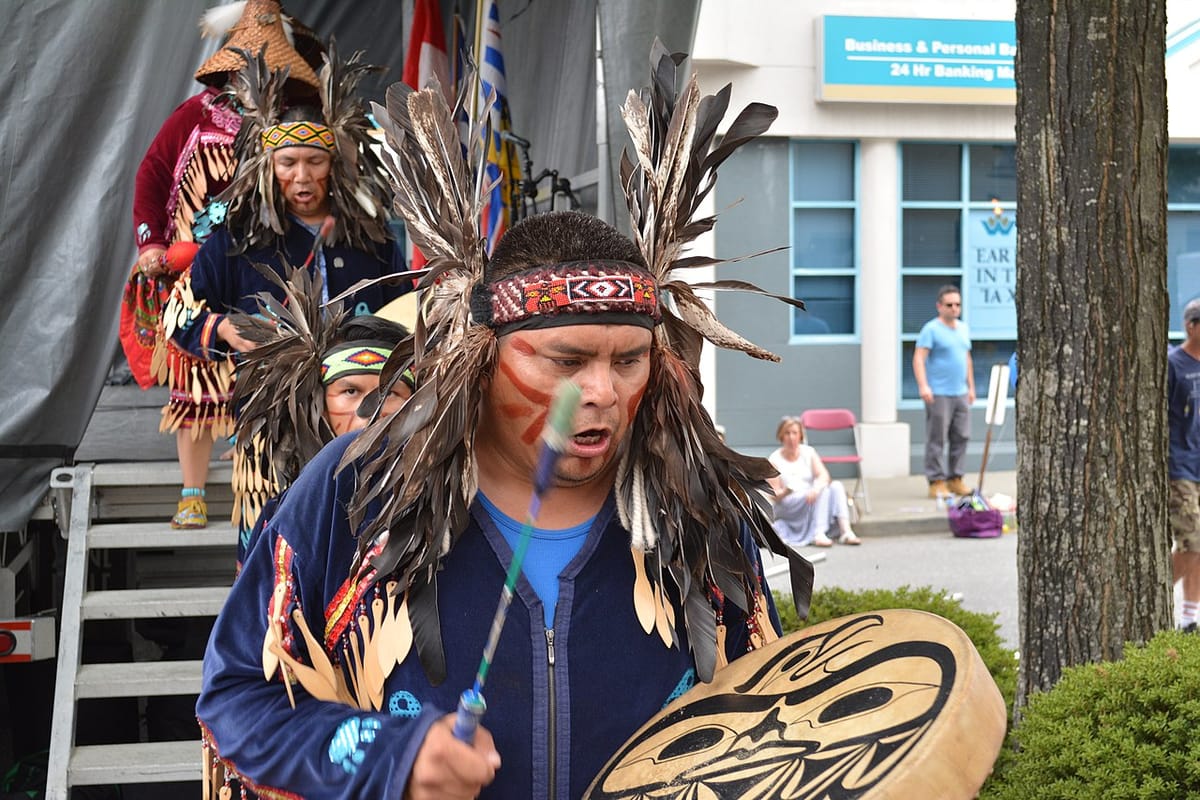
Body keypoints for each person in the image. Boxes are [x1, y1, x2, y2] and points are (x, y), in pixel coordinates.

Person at [196, 45, 813, 799]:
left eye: (628, 360)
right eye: (565, 359)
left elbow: (769, 716)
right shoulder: (359, 487)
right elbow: (237, 700)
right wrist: (390, 757)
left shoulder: (695, 504)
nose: (603, 392)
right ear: (482, 358)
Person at [161, 44, 408, 529]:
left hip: (359, 418)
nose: (302, 176)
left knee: (352, 540)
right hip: (270, 429)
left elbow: (401, 315)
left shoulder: (371, 241)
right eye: (288, 162)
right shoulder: (238, 242)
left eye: (314, 161)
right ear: (268, 167)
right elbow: (176, 315)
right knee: (273, 546)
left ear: (334, 164)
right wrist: (221, 329)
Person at [226, 263, 413, 565]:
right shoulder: (282, 517)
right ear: (319, 405)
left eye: (387, 393)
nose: (369, 414)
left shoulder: (443, 508)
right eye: (350, 391)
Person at [912, 285, 975, 498]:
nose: (954, 308)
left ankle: (955, 479)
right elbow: (919, 358)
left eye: (957, 305)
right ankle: (936, 481)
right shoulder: (931, 330)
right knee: (937, 437)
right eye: (949, 305)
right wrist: (923, 385)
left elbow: (966, 359)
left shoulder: (963, 328)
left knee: (962, 436)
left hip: (960, 392)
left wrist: (971, 388)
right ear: (939, 306)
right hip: (938, 393)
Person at [767, 416, 861, 547]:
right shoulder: (774, 459)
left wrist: (816, 489)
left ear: (800, 436)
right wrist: (786, 491)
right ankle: (818, 533)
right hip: (789, 502)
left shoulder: (808, 452)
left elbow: (824, 475)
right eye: (787, 433)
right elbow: (774, 495)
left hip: (812, 497)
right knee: (823, 490)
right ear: (781, 436)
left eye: (794, 433)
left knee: (835, 486)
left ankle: (846, 531)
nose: (791, 437)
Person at [1169, 299, 1200, 632]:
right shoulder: (1173, 365)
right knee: (1193, 541)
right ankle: (1153, 590)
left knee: (1198, 547)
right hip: (1180, 467)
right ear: (1191, 325)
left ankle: (1190, 619)